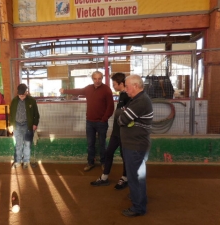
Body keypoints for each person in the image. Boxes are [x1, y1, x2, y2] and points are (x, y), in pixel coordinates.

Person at [60, 71, 114, 171]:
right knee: (90, 144)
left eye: (99, 79)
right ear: (92, 79)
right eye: (95, 79)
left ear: (102, 79)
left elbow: (110, 107)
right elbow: (78, 91)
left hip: (101, 123)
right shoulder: (88, 88)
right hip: (90, 122)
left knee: (102, 144)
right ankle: (90, 162)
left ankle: (103, 163)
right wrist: (65, 91)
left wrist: (104, 119)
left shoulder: (106, 89)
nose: (97, 81)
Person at [117, 75, 153, 217]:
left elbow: (121, 119)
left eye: (127, 86)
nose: (125, 90)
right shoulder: (138, 100)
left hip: (135, 146)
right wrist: (123, 113)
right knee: (138, 176)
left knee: (135, 177)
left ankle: (138, 207)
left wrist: (122, 114)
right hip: (136, 145)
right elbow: (123, 116)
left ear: (136, 86)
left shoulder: (140, 101)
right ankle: (138, 198)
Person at [90, 72, 130, 189]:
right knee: (109, 152)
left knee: (125, 155)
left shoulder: (127, 96)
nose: (113, 86)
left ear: (121, 84)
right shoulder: (121, 95)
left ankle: (125, 178)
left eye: (114, 84)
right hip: (116, 132)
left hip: (124, 132)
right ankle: (104, 177)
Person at [9, 83, 40, 169]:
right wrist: (11, 125)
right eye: (20, 95)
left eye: (23, 95)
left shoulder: (32, 101)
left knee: (27, 144)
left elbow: (36, 115)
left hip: (27, 125)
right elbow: (11, 114)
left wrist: (35, 124)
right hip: (17, 125)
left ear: (26, 92)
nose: (21, 97)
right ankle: (17, 161)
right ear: (17, 93)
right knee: (18, 144)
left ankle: (26, 161)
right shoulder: (14, 101)